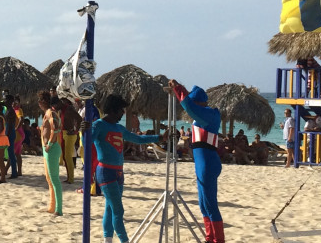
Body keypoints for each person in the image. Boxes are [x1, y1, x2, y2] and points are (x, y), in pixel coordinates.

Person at [82, 94, 160, 243]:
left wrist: (159, 138)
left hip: (118, 172)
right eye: (121, 110)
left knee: (110, 208)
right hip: (105, 172)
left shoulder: (119, 128)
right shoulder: (99, 125)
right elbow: (87, 144)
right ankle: (125, 240)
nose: (123, 113)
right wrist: (84, 132)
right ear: (112, 110)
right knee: (118, 210)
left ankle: (108, 240)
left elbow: (138, 139)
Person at [169, 79, 224, 243]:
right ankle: (210, 237)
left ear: (200, 102)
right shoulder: (202, 115)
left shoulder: (209, 114)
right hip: (202, 164)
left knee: (210, 204)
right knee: (203, 204)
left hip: (208, 164)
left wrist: (178, 88)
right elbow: (190, 107)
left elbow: (189, 107)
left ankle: (218, 240)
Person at [39, 91, 62, 216]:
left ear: (44, 102)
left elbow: (56, 128)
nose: (39, 103)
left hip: (51, 149)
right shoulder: (47, 113)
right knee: (49, 179)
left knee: (54, 179)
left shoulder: (51, 113)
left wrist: (50, 144)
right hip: (47, 148)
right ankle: (52, 206)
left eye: (40, 101)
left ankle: (59, 208)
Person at [60, 97, 81, 184]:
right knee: (65, 156)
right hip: (64, 132)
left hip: (70, 134)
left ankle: (71, 178)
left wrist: (76, 131)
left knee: (68, 156)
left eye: (62, 101)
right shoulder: (63, 109)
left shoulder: (69, 109)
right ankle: (69, 177)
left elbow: (79, 119)